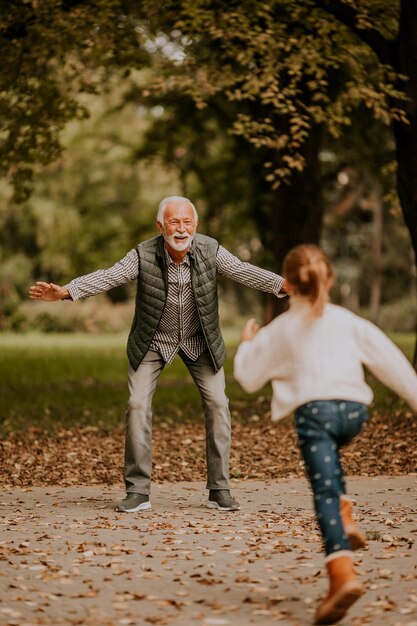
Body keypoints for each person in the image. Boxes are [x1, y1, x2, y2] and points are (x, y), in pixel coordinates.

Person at [29, 196, 287, 513]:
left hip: (200, 340)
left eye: (187, 222)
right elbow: (109, 275)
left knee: (219, 403)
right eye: (174, 222)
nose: (181, 229)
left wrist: (284, 285)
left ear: (196, 225)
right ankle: (138, 491)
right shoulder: (143, 254)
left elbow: (243, 270)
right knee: (137, 405)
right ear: (160, 225)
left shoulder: (210, 250)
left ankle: (220, 489)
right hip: (153, 340)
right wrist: (68, 291)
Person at [233, 243, 417, 625]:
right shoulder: (347, 320)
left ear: (287, 283)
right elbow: (391, 363)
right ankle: (346, 516)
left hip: (315, 414)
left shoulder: (280, 330)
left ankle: (341, 576)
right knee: (332, 471)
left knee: (324, 492)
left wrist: (246, 347)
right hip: (354, 414)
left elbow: (248, 379)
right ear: (328, 279)